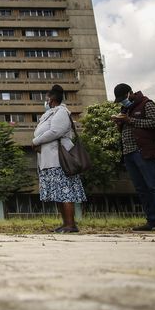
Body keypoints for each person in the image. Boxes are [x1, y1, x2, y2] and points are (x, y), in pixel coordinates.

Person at [112, 83, 155, 232]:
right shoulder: (125, 109)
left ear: (130, 93)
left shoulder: (146, 104)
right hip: (128, 153)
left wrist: (131, 120)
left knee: (154, 185)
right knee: (141, 189)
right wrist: (120, 123)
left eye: (123, 98)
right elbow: (128, 129)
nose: (122, 101)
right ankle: (152, 220)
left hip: (143, 151)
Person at [32, 85, 86, 233]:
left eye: (47, 98)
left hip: (59, 159)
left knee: (64, 191)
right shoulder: (50, 114)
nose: (45, 101)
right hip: (49, 159)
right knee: (57, 193)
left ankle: (71, 224)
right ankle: (65, 223)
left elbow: (56, 131)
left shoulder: (61, 112)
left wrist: (36, 141)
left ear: (52, 99)